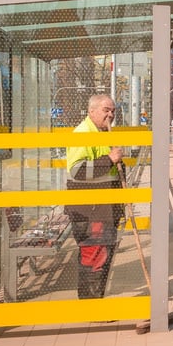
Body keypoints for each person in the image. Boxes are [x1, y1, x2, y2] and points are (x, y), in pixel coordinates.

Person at [65, 94, 124, 299]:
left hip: (104, 208)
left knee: (102, 254)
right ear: (92, 111)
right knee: (94, 256)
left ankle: (95, 300)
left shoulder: (103, 133)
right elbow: (76, 171)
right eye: (106, 110)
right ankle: (91, 304)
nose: (110, 115)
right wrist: (109, 159)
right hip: (90, 210)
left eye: (113, 111)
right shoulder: (83, 133)